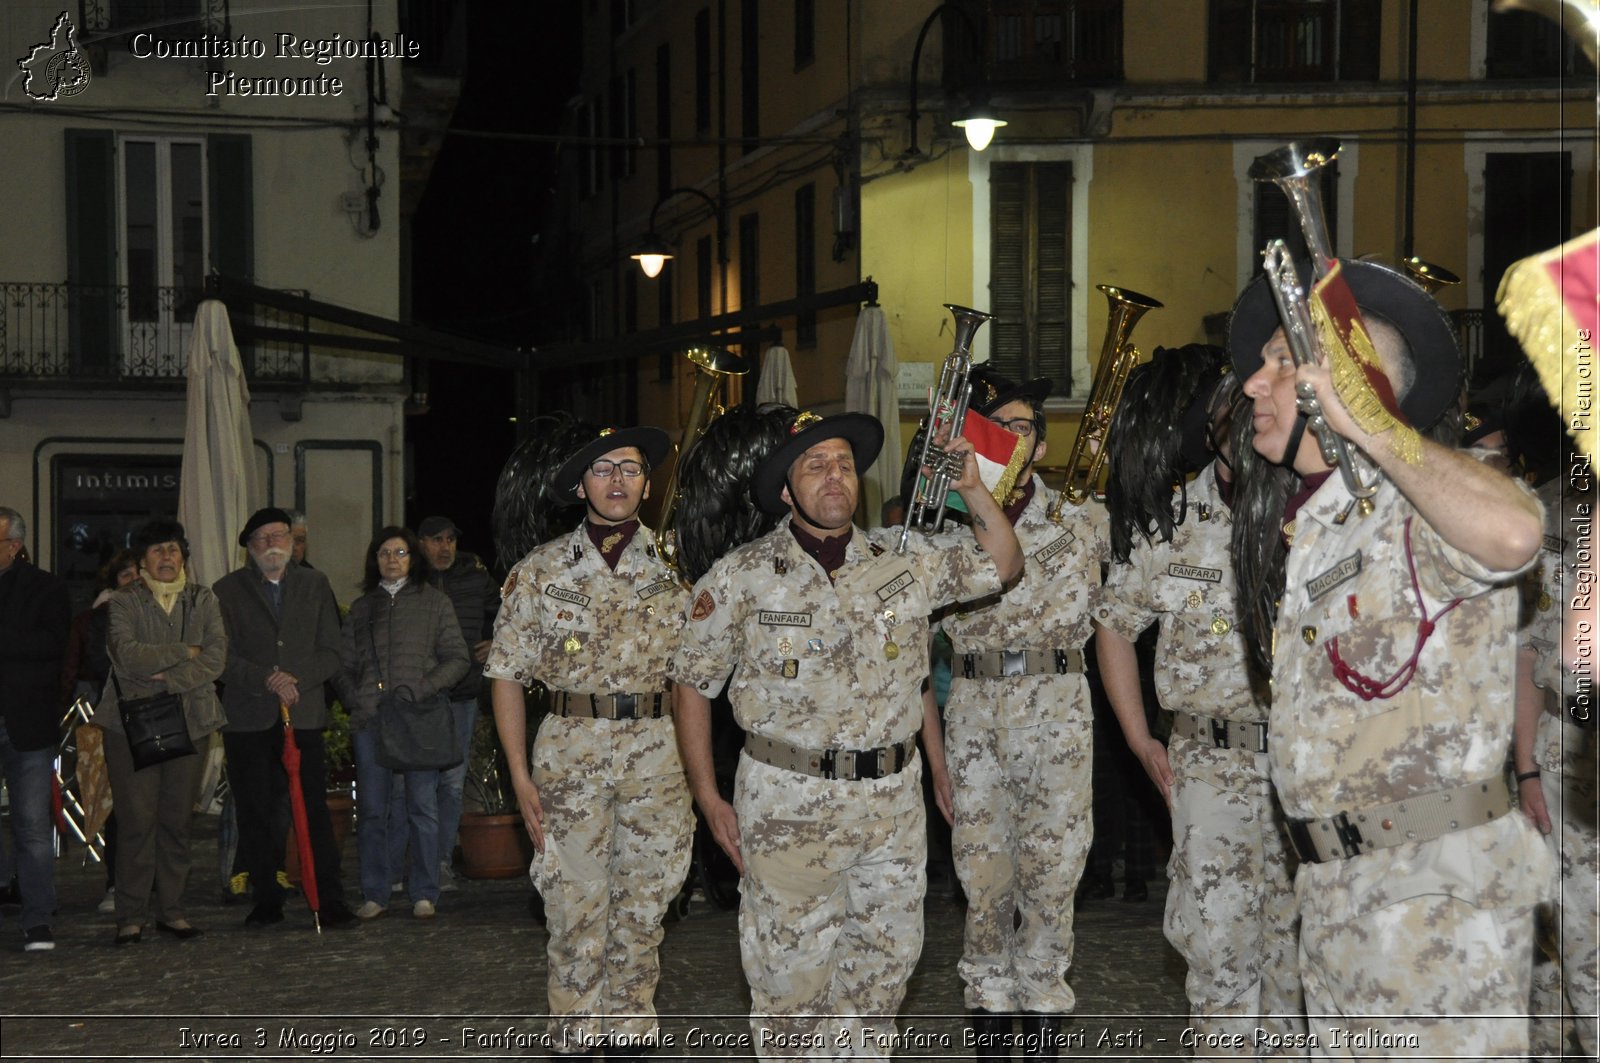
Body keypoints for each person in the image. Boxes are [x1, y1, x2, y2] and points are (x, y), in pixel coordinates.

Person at [1228, 258, 1553, 1056]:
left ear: (1342, 380)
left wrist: (1369, 420)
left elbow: (1515, 533)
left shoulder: (1420, 507)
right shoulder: (1322, 528)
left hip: (1434, 907)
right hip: (1338, 901)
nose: (1249, 385)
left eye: (1280, 360)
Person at [672, 410, 1022, 1057]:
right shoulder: (741, 576)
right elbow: (692, 683)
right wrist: (707, 795)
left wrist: (973, 487)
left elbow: (1002, 561)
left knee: (880, 984)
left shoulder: (903, 559)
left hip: (889, 811)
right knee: (790, 994)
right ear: (786, 490)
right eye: (814, 465)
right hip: (786, 807)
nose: (833, 476)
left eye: (842, 463)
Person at [1092, 347, 1304, 1049]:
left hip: (1305, 768)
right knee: (1218, 959)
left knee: (1302, 962)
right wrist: (1137, 738)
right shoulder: (1172, 522)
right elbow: (1115, 625)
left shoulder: (1315, 511)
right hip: (1207, 768)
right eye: (1227, 414)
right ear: (1210, 428)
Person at [486, 426, 694, 1057]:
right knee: (573, 911)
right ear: (581, 486)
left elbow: (702, 679)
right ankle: (575, 1038)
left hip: (659, 759)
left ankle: (631, 1036)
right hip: (569, 760)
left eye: (630, 469)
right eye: (602, 470)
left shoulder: (681, 569)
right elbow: (506, 675)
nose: (617, 481)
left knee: (644, 910)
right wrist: (519, 778)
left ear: (648, 485)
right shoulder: (540, 571)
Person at [926, 367, 1106, 1057]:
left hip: (1059, 712)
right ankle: (992, 1024)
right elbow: (911, 657)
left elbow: (1117, 622)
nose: (1015, 437)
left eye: (1026, 427)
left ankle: (1043, 1026)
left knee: (1055, 875)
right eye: (999, 426)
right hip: (973, 711)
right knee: (984, 878)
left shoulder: (1085, 520)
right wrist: (936, 758)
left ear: (1038, 444)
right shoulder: (945, 527)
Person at [214, 507, 356, 929]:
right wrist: (266, 679)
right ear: (249, 548)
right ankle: (266, 898)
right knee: (255, 811)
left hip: (304, 714)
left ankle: (329, 898)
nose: (272, 544)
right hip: (248, 718)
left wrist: (296, 678)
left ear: (293, 543)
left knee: (311, 810)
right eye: (261, 538)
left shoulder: (316, 584)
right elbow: (219, 656)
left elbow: (333, 650)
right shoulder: (226, 590)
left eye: (279, 536)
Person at [96, 518, 228, 945]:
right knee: (137, 821)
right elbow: (130, 658)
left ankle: (172, 911)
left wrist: (170, 677)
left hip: (191, 722)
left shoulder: (203, 599)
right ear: (142, 561)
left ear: (183, 556)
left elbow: (217, 657)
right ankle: (130, 916)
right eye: (157, 551)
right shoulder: (123, 602)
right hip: (130, 724)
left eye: (172, 550)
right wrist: (185, 651)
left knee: (177, 822)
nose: (166, 558)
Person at [338, 526, 469, 919]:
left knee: (422, 808)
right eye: (384, 553)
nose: (391, 560)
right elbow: (341, 665)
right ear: (373, 559)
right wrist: (355, 697)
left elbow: (458, 658)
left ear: (413, 558)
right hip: (371, 721)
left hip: (419, 719)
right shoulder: (362, 608)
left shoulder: (435, 603)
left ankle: (424, 891)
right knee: (374, 811)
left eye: (400, 552)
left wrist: (424, 688)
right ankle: (375, 892)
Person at [0, 506, 71, 952]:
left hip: (25, 721)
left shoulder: (46, 588)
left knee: (30, 824)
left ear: (14, 545)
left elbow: (53, 646)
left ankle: (38, 919)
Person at [417, 515, 500, 892]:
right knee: (414, 785)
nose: (444, 547)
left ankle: (441, 861)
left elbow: (510, 613)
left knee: (451, 785)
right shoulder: (411, 579)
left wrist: (496, 642)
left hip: (462, 696)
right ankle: (414, 862)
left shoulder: (475, 577)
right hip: (416, 699)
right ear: (421, 544)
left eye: (450, 539)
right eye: (436, 540)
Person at [62, 547, 139, 915]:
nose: (135, 580)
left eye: (139, 573)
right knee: (117, 809)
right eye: (126, 575)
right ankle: (117, 883)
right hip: (108, 721)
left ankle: (153, 883)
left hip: (154, 719)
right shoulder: (93, 622)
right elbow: (81, 668)